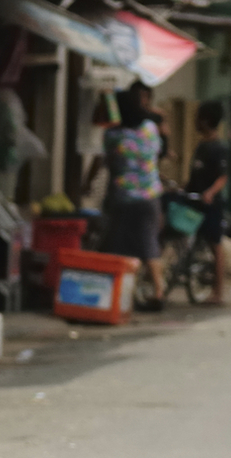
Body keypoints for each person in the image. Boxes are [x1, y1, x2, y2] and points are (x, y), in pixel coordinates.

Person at [89, 87, 167, 310]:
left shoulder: (114, 135)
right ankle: (159, 292)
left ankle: (121, 295)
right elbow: (157, 151)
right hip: (150, 196)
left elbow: (105, 161)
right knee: (149, 244)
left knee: (119, 247)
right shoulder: (150, 129)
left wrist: (88, 183)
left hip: (123, 198)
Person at [186, 101, 231, 240]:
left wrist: (210, 193)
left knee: (214, 242)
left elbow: (223, 176)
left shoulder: (219, 148)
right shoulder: (201, 146)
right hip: (194, 201)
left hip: (211, 205)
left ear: (205, 121)